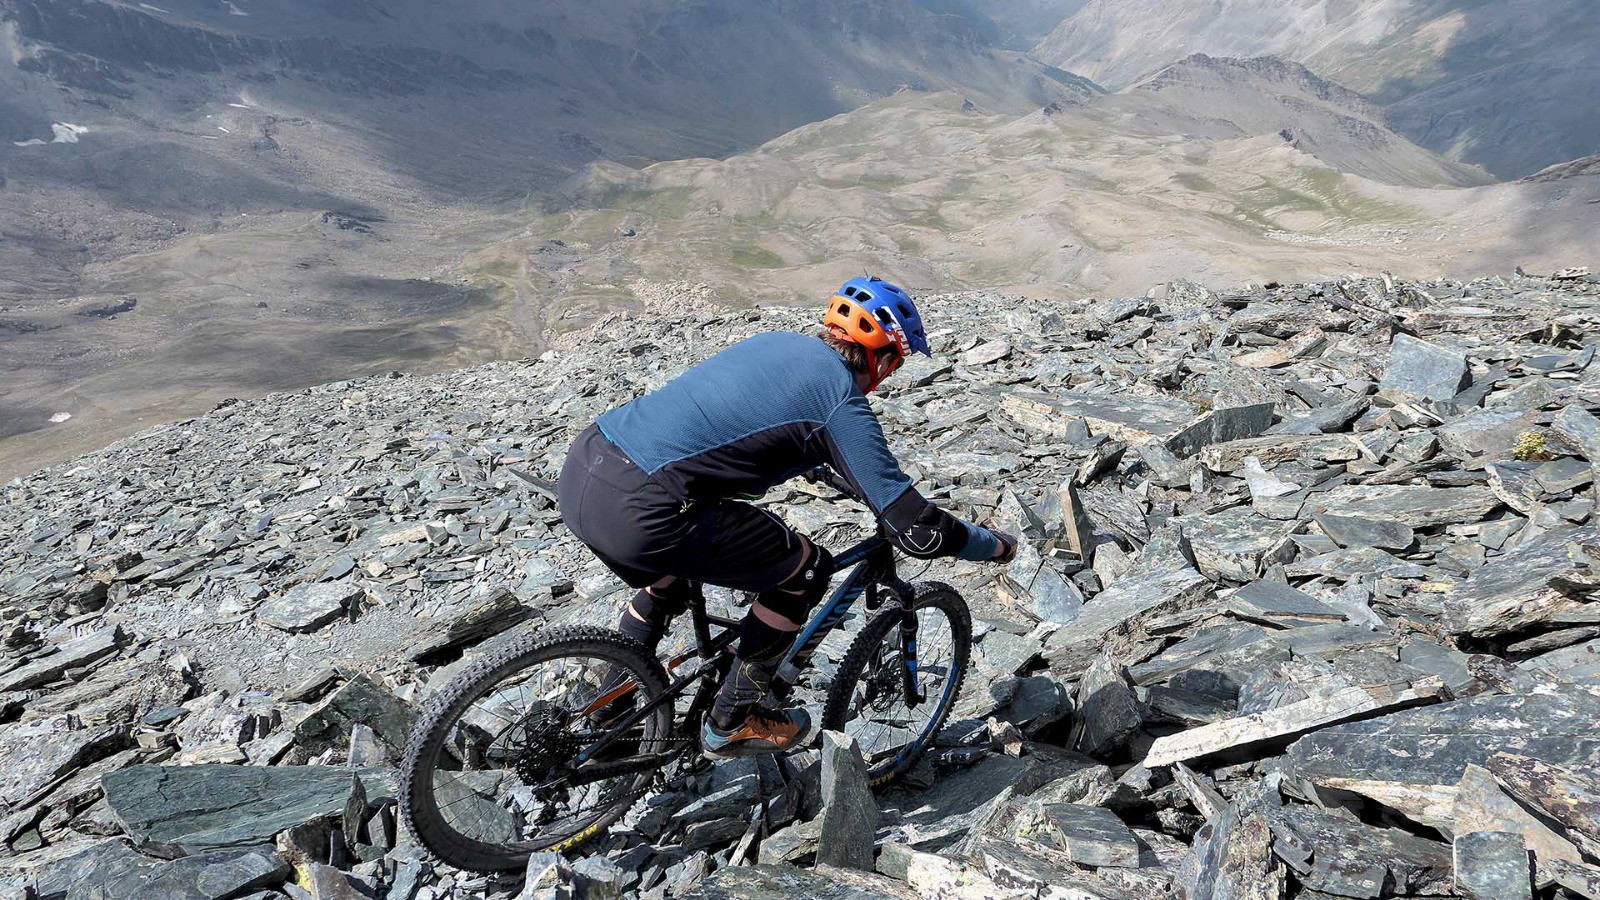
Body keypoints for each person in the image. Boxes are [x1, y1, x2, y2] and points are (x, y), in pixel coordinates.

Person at [557, 276, 1016, 759]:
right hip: (645, 508)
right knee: (806, 569)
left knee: (670, 573)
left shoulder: (776, 342)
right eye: (895, 364)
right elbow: (918, 532)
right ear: (883, 358)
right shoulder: (839, 396)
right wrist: (993, 545)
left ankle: (609, 717)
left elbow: (738, 416)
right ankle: (731, 722)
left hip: (588, 465)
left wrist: (820, 461)